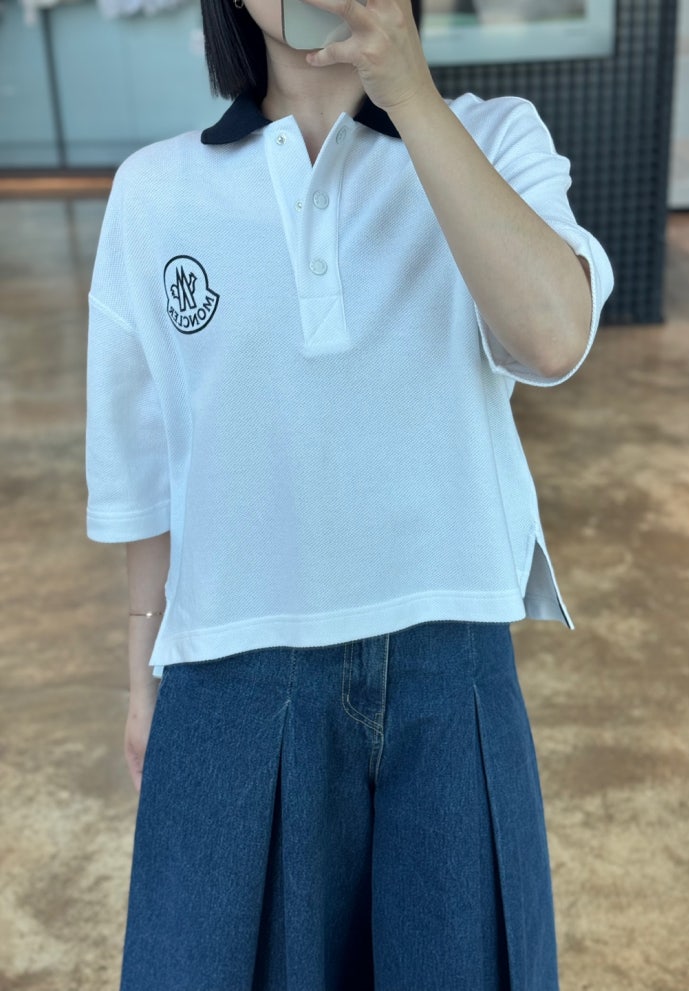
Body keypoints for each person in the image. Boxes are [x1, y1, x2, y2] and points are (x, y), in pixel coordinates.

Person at [85, 0, 613, 986]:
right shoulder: (156, 190)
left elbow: (551, 337)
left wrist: (406, 92)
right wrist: (140, 670)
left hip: (447, 667)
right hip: (229, 669)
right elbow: (144, 461)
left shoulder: (492, 137)